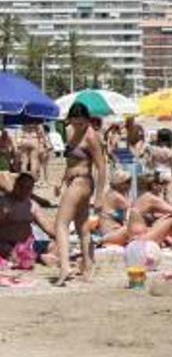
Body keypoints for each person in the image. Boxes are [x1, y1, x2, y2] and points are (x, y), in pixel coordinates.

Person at [53, 103, 109, 286]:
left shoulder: (91, 136)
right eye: (76, 123)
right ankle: (88, 264)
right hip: (73, 180)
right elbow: (70, 162)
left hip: (83, 181)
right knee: (82, 226)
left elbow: (101, 167)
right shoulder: (69, 131)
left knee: (60, 223)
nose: (78, 126)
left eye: (82, 123)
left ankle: (65, 266)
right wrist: (61, 182)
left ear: (87, 120)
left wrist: (100, 196)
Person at [0, 173, 54, 271]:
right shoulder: (4, 203)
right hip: (6, 243)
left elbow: (48, 228)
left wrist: (61, 238)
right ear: (15, 186)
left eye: (28, 188)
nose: (24, 190)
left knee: (54, 246)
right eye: (21, 186)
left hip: (28, 243)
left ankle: (38, 256)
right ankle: (38, 258)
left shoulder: (32, 205)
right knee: (13, 255)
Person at [146, 129, 172, 203]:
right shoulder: (170, 152)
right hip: (167, 174)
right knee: (169, 195)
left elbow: (150, 164)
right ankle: (169, 211)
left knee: (159, 194)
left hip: (157, 173)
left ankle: (160, 212)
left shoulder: (154, 150)